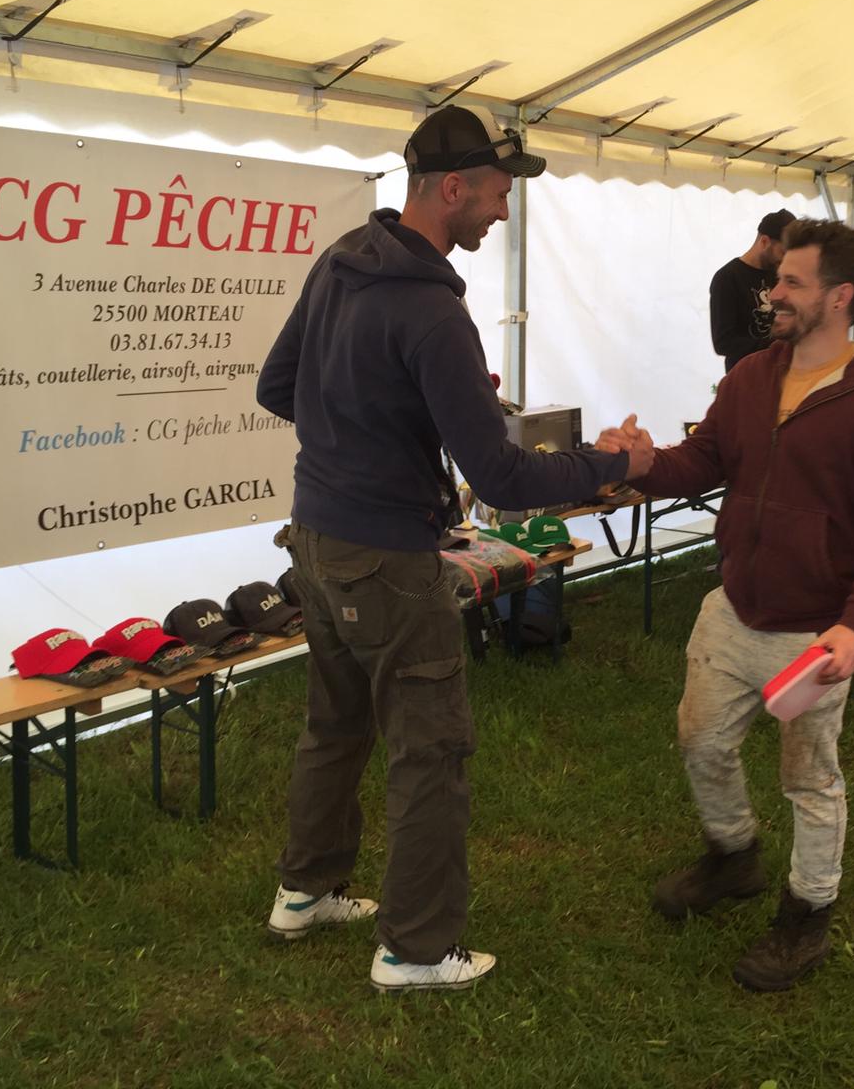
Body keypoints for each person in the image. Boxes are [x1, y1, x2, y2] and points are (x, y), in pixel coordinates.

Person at [255, 104, 648, 993]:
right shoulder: (433, 311)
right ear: (453, 189)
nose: (504, 213)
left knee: (334, 725)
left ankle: (304, 892)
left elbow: (279, 387)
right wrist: (616, 461)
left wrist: (391, 415)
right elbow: (503, 476)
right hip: (386, 559)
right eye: (498, 196)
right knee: (428, 751)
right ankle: (417, 950)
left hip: (314, 538)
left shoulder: (341, 260)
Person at [601, 219, 854, 993]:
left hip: (814, 633)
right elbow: (703, 460)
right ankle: (734, 856)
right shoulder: (751, 375)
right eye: (776, 279)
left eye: (791, 282)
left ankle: (807, 914)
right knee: (700, 740)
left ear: (840, 297)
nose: (772, 292)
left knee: (810, 780)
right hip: (735, 606)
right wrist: (642, 464)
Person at [709, 209, 795, 371]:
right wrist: (777, 345)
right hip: (745, 375)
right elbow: (723, 343)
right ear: (764, 241)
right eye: (783, 252)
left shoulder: (780, 274)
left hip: (782, 371)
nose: (785, 259)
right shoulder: (727, 278)